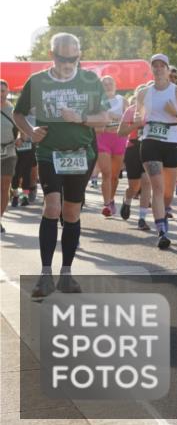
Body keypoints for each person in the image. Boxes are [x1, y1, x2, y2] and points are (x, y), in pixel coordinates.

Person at [12, 33, 110, 297]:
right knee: (52, 206)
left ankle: (66, 274)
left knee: (71, 214)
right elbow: (18, 113)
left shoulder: (90, 81)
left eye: (73, 57)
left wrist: (80, 117)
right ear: (51, 55)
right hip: (49, 153)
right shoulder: (38, 81)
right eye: (62, 57)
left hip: (82, 153)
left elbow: (104, 118)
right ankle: (45, 275)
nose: (68, 62)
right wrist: (31, 131)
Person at [137, 54, 177, 249]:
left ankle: (164, 211)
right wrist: (138, 121)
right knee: (158, 188)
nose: (159, 68)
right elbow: (139, 117)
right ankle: (161, 230)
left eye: (163, 65)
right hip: (150, 141)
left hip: (173, 142)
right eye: (155, 65)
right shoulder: (143, 93)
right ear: (151, 69)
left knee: (168, 192)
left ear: (168, 69)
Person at [117, 93, 151, 228]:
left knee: (146, 182)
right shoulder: (130, 110)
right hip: (133, 148)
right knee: (134, 186)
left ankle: (142, 218)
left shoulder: (154, 111)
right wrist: (135, 125)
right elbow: (121, 132)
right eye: (140, 97)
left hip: (150, 147)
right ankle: (128, 200)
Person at [95, 75, 127, 217]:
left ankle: (112, 198)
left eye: (110, 83)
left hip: (119, 139)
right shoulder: (97, 102)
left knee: (114, 176)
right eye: (105, 84)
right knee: (106, 173)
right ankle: (107, 204)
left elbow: (129, 120)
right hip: (102, 138)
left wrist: (118, 118)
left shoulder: (122, 101)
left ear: (115, 85)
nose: (108, 86)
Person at [1, 80, 16, 235]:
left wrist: (22, 139)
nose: (0, 94)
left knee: (4, 188)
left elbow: (22, 129)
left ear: (7, 91)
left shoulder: (13, 110)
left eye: (3, 91)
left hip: (9, 153)